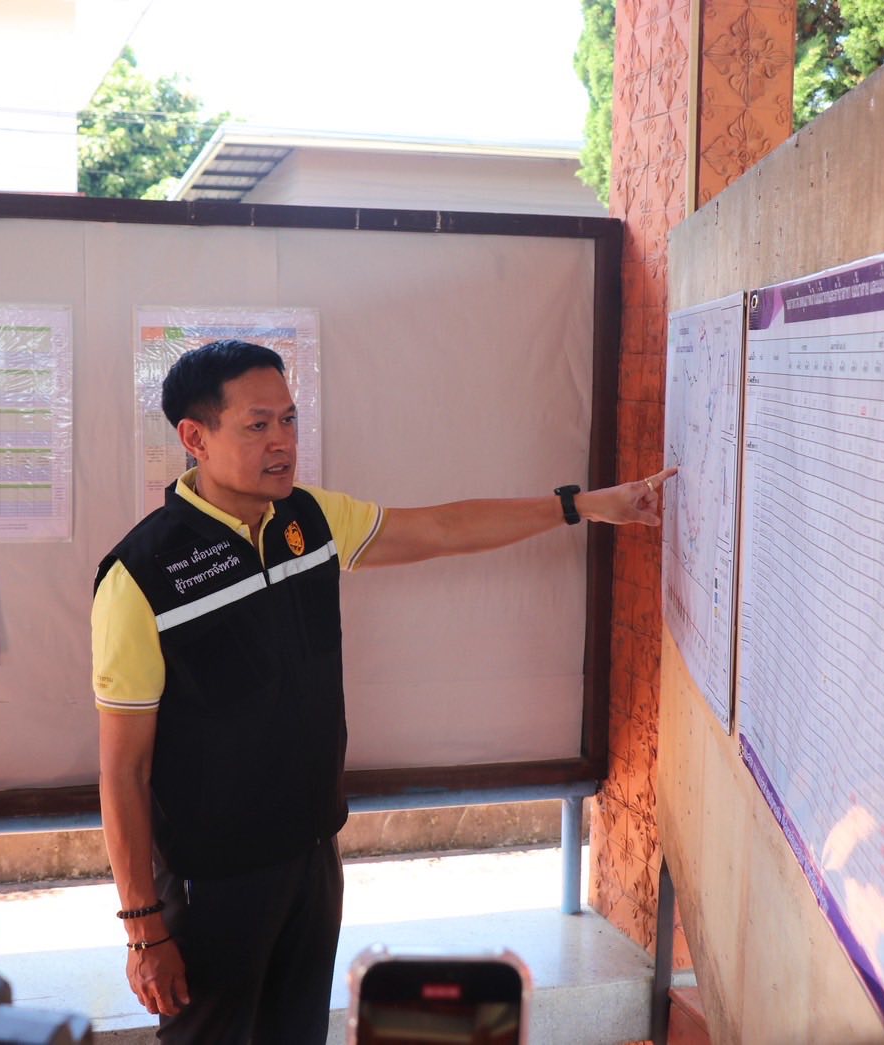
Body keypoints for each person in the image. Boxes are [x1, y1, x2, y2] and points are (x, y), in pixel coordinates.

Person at [93, 339, 674, 1042]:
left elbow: (441, 528)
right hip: (211, 882)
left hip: (312, 854)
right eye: (257, 425)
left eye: (289, 419)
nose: (282, 441)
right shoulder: (141, 575)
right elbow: (123, 770)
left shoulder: (307, 520)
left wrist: (583, 506)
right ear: (195, 438)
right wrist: (142, 926)